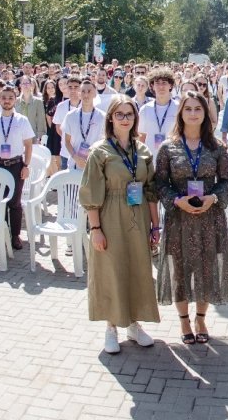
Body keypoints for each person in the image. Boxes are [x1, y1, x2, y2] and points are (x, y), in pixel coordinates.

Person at [80, 96, 161, 354]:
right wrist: (95, 229)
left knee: (138, 268)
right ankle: (111, 327)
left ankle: (134, 324)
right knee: (112, 270)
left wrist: (155, 226)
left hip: (138, 215)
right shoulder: (100, 152)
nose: (125, 119)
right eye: (120, 114)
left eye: (129, 114)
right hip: (110, 215)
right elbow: (91, 194)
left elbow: (150, 191)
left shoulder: (143, 151)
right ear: (111, 118)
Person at [154, 91, 228, 345]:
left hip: (210, 218)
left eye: (197, 109)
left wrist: (213, 198)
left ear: (205, 113)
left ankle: (200, 318)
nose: (193, 113)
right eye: (187, 109)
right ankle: (184, 321)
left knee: (206, 269)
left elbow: (227, 181)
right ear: (181, 113)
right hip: (179, 218)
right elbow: (159, 183)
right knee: (180, 270)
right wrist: (177, 201)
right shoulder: (168, 148)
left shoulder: (217, 148)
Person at [0, 86, 34, 250]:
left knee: (15, 202)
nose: (7, 100)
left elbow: (28, 145)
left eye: (10, 97)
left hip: (16, 165)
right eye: (4, 97)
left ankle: (16, 235)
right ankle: (1, 233)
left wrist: (26, 165)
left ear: (15, 100)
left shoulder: (22, 120)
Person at [62, 80, 106, 171]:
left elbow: (106, 142)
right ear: (79, 94)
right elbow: (67, 141)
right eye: (83, 91)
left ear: (95, 94)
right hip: (74, 165)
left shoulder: (103, 117)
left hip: (95, 165)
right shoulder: (70, 116)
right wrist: (76, 157)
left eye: (89, 91)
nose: (86, 95)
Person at [138, 68, 177, 157]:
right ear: (152, 86)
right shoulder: (145, 109)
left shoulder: (179, 108)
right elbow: (141, 137)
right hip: (151, 159)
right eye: (157, 83)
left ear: (170, 85)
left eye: (164, 83)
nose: (161, 87)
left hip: (173, 158)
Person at [15, 76, 47, 143]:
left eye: (27, 83)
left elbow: (41, 120)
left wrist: (40, 137)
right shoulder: (15, 101)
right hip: (18, 136)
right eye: (23, 83)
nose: (26, 85)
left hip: (33, 136)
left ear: (31, 85)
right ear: (20, 85)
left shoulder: (38, 101)